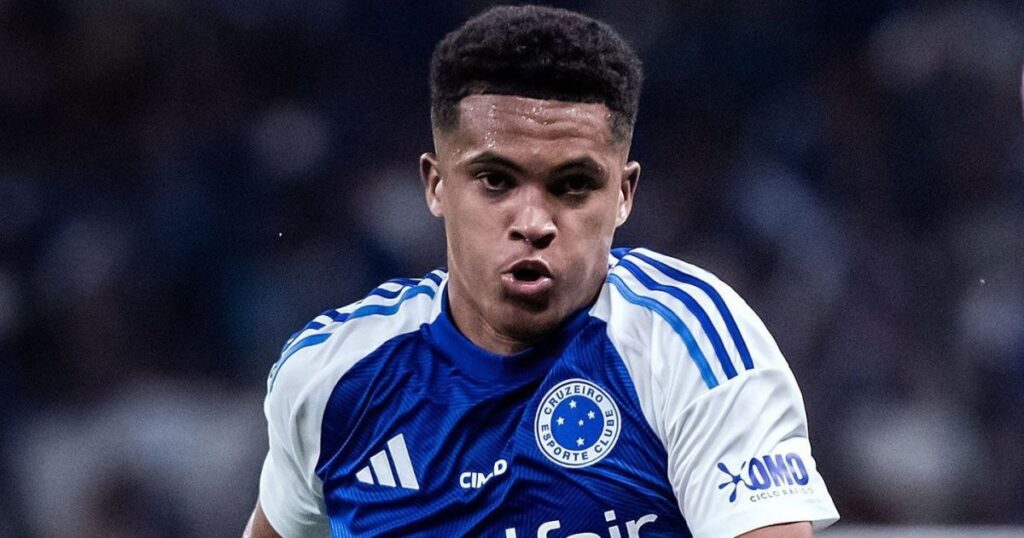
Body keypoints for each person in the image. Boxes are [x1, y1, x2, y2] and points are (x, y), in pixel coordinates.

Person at [244, 5, 839, 537]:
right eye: (495, 180)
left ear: (624, 194)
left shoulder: (689, 346)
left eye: (573, 185)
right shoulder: (332, 376)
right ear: (436, 184)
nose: (533, 222)